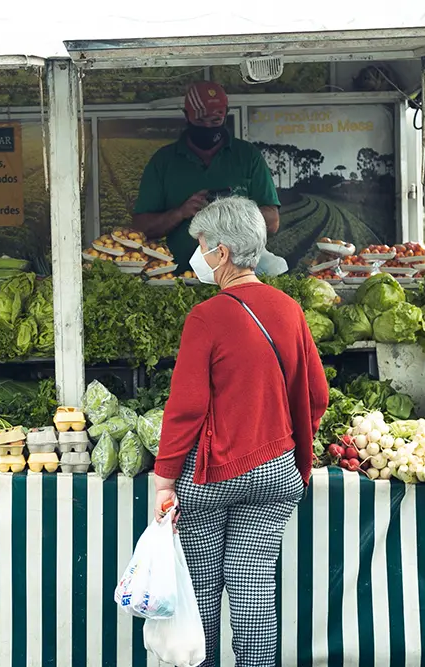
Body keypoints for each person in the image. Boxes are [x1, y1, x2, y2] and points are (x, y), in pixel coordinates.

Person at [152, 196, 329, 666]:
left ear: (222, 253)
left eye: (202, 246)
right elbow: (316, 395)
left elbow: (186, 408)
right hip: (275, 472)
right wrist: (294, 452)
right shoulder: (288, 309)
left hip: (213, 476)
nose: (199, 256)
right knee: (254, 588)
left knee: (202, 589)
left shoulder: (206, 317)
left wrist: (164, 478)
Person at [132, 81, 282, 274]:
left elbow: (272, 222)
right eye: (201, 120)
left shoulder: (247, 156)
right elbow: (140, 228)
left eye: (215, 120)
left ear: (225, 115)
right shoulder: (164, 161)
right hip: (179, 276)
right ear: (186, 116)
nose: (208, 126)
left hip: (237, 276)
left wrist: (231, 213)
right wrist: (181, 212)